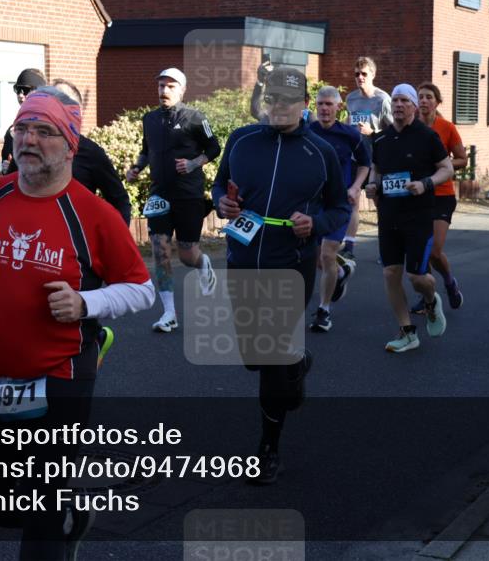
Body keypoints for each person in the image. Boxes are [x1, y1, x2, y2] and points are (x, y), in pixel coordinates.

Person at [0, 89, 155, 558]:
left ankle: (55, 516)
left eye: (45, 131)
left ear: (70, 144)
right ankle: (70, 513)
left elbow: (141, 288)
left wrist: (86, 303)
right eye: (22, 129)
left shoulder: (94, 215)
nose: (29, 140)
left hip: (60, 372)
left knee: (38, 511)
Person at [214, 67, 349, 484]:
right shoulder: (241, 140)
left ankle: (268, 447)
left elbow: (339, 209)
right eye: (272, 99)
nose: (278, 107)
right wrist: (222, 204)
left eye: (288, 101)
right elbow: (220, 186)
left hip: (291, 265)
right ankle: (297, 362)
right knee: (255, 359)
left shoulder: (320, 151)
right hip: (241, 259)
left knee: (270, 361)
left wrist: (316, 223)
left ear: (305, 105)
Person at [126, 68, 221, 332]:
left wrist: (193, 163)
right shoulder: (149, 119)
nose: (164, 91)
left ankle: (203, 263)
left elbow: (214, 148)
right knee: (160, 250)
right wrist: (137, 167)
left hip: (188, 194)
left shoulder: (194, 118)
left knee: (188, 253)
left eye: (170, 86)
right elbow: (146, 151)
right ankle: (169, 313)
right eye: (160, 86)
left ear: (181, 90)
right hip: (160, 194)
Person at [365, 84, 454, 353]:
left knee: (418, 276)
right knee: (391, 272)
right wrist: (372, 185)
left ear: (414, 106)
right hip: (389, 215)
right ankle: (407, 332)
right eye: (395, 100)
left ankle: (430, 299)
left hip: (419, 215)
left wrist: (426, 183)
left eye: (404, 100)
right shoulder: (380, 139)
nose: (399, 105)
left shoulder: (427, 137)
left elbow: (447, 168)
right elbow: (376, 169)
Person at [306, 86, 370, 332]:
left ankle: (324, 310)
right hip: (312, 204)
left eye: (328, 104)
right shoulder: (306, 132)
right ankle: (341, 273)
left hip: (339, 204)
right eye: (320, 104)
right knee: (314, 257)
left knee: (327, 254)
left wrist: (355, 187)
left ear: (338, 107)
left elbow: (365, 163)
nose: (324, 108)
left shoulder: (350, 135)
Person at [409, 82, 467, 314]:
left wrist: (441, 165)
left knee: (433, 250)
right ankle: (427, 296)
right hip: (417, 195)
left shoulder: (446, 127)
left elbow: (462, 159)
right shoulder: (410, 128)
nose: (423, 101)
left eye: (428, 97)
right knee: (422, 248)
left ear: (437, 102)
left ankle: (450, 282)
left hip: (442, 194)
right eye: (420, 97)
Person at [50, 79, 132, 225]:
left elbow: (120, 201)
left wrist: (116, 241)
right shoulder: (30, 147)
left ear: (78, 111)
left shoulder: (91, 153)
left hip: (76, 240)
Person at [343, 56, 392, 260]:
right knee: (352, 199)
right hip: (356, 158)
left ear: (373, 74)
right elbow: (349, 120)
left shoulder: (383, 100)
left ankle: (387, 249)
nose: (360, 77)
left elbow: (393, 132)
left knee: (380, 205)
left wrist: (373, 131)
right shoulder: (351, 99)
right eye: (357, 74)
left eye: (364, 73)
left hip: (376, 160)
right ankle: (349, 248)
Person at [1, 68, 48, 173]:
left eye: (25, 90)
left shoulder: (50, 128)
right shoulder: (11, 132)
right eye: (18, 90)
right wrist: (6, 170)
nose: (20, 95)